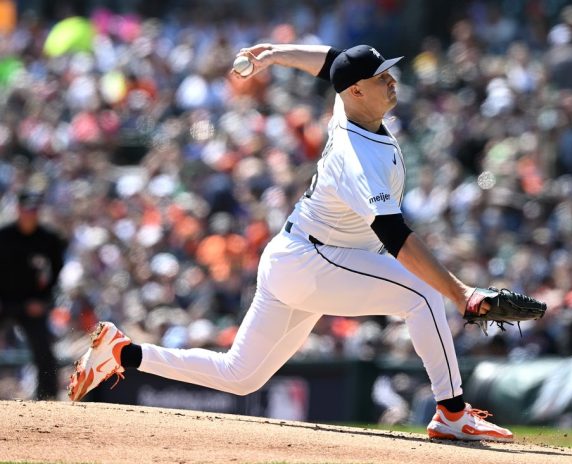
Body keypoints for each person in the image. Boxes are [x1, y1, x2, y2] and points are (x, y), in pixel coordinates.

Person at [68, 43, 513, 442]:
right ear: (356, 91)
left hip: (296, 257)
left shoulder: (350, 106)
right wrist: (460, 293)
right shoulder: (355, 156)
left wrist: (276, 53)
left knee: (240, 376)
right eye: (381, 77)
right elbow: (396, 237)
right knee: (425, 293)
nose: (391, 80)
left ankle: (123, 352)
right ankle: (452, 413)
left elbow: (333, 62)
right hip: (313, 260)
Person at [0, 189, 67, 399]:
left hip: (32, 304)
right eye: (27, 209)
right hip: (3, 302)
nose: (30, 214)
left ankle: (47, 399)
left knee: (45, 353)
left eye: (34, 210)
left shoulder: (48, 239)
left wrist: (43, 300)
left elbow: (56, 274)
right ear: (18, 209)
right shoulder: (3, 236)